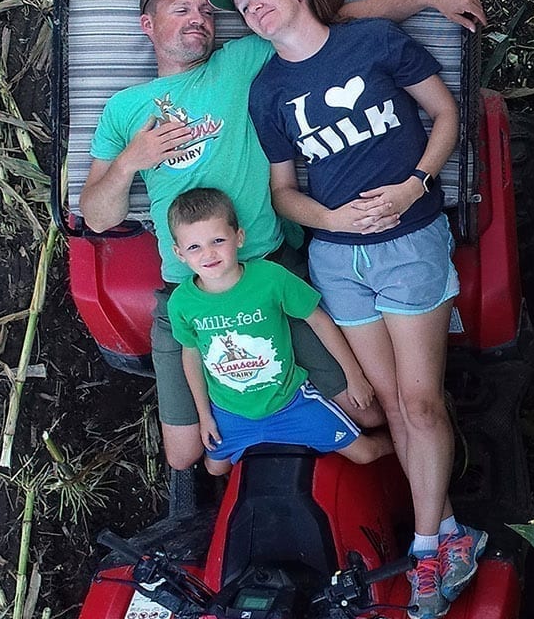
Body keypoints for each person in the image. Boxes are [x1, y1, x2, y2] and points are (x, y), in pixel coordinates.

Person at [78, 0, 486, 479]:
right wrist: (128, 162)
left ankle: (323, 422)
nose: (199, 19)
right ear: (146, 25)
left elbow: (330, 20)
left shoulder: (242, 61)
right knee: (184, 457)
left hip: (268, 269)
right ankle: (289, 418)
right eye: (181, 10)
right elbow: (98, 216)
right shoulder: (124, 109)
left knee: (374, 411)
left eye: (206, 12)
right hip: (190, 287)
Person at [205, 0, 484, 619]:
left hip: (409, 243)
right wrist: (326, 218)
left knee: (420, 404)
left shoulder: (372, 43)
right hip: (337, 259)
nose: (254, 9)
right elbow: (282, 193)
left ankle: (423, 548)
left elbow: (446, 116)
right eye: (244, 7)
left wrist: (416, 183)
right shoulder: (268, 89)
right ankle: (449, 536)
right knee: (388, 405)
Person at [166, 187, 393, 476]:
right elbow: (191, 353)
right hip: (231, 412)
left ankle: (407, 447)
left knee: (365, 453)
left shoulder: (270, 277)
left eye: (218, 240)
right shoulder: (182, 302)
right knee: (214, 469)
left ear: (239, 237)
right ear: (179, 253)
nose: (208, 253)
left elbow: (318, 320)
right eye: (194, 247)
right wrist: (204, 415)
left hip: (290, 403)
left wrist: (354, 376)